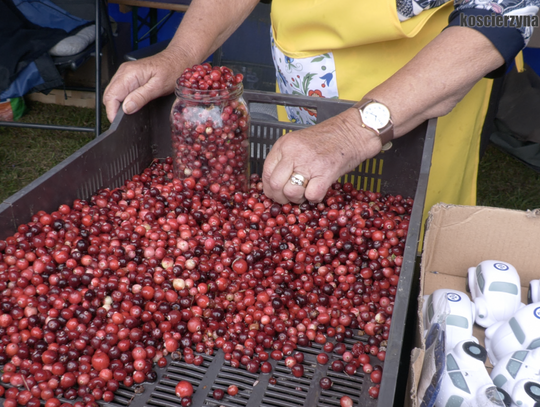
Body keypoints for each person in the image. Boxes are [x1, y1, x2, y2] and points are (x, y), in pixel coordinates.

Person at [103, 0, 539, 220]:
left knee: (398, 239)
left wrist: (351, 133)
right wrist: (179, 54)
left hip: (420, 90)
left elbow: (500, 15)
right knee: (300, 212)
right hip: (307, 74)